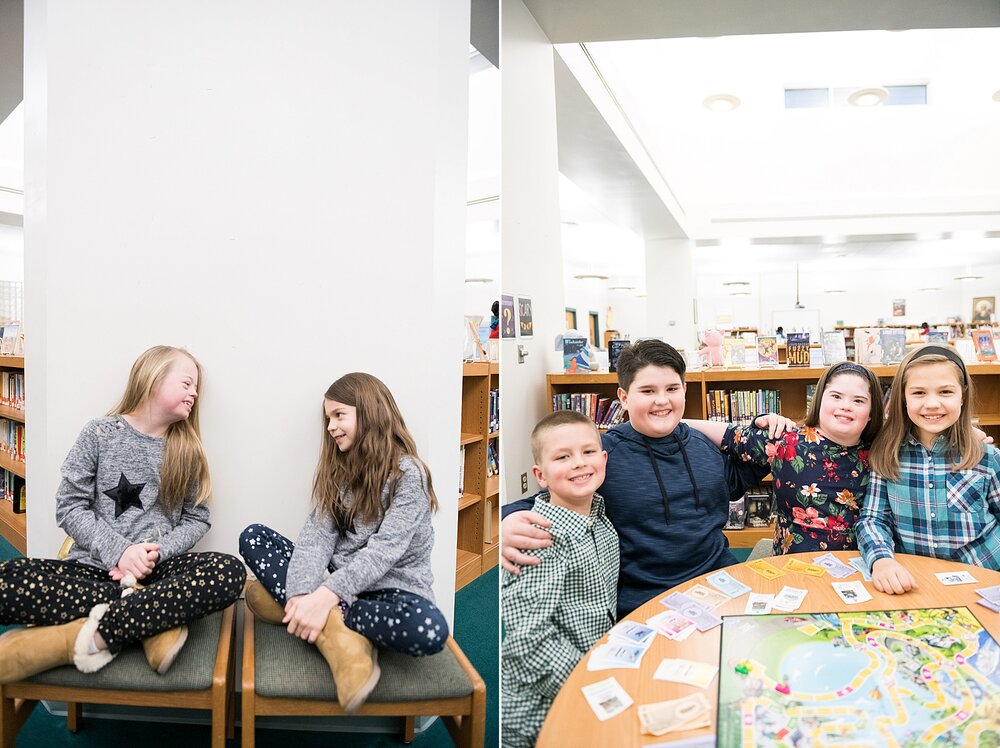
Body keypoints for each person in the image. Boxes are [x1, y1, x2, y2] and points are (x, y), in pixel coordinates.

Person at [0, 346, 246, 682]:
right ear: (153, 378)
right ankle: (149, 620)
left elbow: (197, 518)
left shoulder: (187, 450)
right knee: (7, 579)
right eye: (187, 383)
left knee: (227, 570)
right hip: (96, 571)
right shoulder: (99, 434)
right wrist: (121, 552)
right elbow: (69, 506)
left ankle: (93, 637)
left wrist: (154, 555)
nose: (195, 392)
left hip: (158, 574)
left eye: (196, 386)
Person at [502, 339, 768, 618]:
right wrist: (508, 518)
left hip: (719, 585)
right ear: (624, 397)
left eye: (672, 389)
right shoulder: (602, 456)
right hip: (646, 604)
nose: (662, 400)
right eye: (648, 391)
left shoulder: (705, 445)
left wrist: (770, 425)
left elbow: (746, 471)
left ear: (685, 390)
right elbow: (546, 501)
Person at [239, 372, 447, 713]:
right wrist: (305, 592)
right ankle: (332, 629)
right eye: (328, 419)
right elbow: (314, 542)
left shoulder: (410, 474)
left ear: (370, 412)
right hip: (330, 583)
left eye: (339, 415)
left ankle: (318, 613)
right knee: (254, 537)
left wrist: (324, 598)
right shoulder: (337, 473)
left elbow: (383, 553)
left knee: (429, 630)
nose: (332, 427)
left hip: (392, 590)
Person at [502, 410, 617, 748]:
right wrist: (590, 682)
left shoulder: (601, 521)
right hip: (540, 714)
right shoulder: (539, 538)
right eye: (563, 457)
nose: (579, 463)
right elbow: (527, 640)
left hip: (589, 674)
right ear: (541, 474)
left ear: (604, 458)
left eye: (588, 452)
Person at [685, 362, 884, 554]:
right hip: (794, 567)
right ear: (819, 400)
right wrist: (673, 421)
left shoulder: (882, 453)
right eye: (836, 396)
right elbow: (729, 435)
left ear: (871, 413)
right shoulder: (786, 440)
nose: (846, 406)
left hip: (858, 568)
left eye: (858, 401)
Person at [857, 345, 1000, 592]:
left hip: (982, 581)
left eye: (945, 391)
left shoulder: (987, 457)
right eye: (919, 392)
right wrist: (881, 559)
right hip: (915, 584)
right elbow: (873, 518)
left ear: (962, 395)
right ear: (903, 397)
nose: (932, 403)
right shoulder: (886, 453)